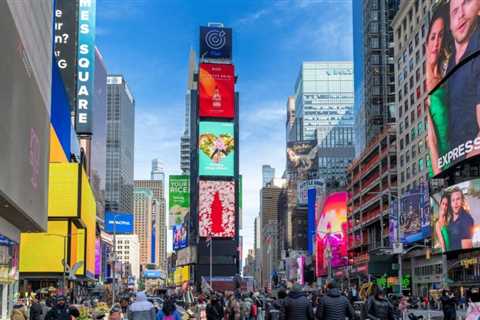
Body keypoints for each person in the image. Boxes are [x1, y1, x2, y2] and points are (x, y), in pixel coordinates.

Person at [446, 0, 480, 162]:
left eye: (466, 3)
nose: (460, 15)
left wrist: (464, 173)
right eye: (454, 11)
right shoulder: (451, 62)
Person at [425, 3, 451, 175]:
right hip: (440, 162)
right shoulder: (425, 86)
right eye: (433, 37)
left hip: (457, 152)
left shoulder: (446, 75)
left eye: (440, 36)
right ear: (426, 44)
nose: (436, 42)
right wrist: (439, 172)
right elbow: (431, 139)